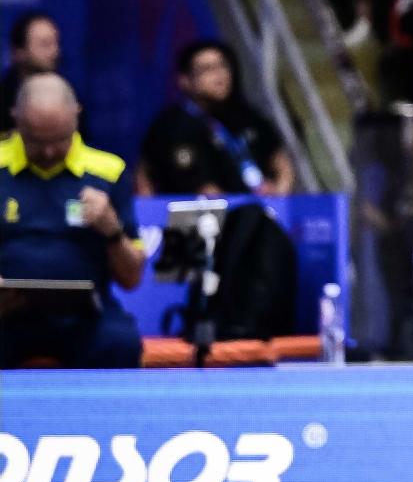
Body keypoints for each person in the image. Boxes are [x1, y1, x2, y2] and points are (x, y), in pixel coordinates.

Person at [0, 75, 145, 369]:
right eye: (36, 141)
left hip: (84, 319)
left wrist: (112, 230)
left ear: (76, 115)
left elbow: (132, 278)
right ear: (15, 119)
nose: (49, 152)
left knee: (121, 342)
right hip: (5, 316)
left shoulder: (108, 171)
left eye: (59, 140)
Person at [137, 42, 293, 197]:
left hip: (256, 212)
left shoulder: (249, 117)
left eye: (223, 66)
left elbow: (280, 161)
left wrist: (279, 193)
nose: (220, 75)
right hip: (193, 216)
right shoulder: (169, 125)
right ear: (185, 80)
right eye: (207, 69)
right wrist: (148, 217)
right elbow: (143, 174)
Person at [1, 12, 62, 135]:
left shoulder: (68, 96)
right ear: (19, 52)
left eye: (55, 43)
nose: (54, 52)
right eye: (45, 44)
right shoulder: (2, 99)